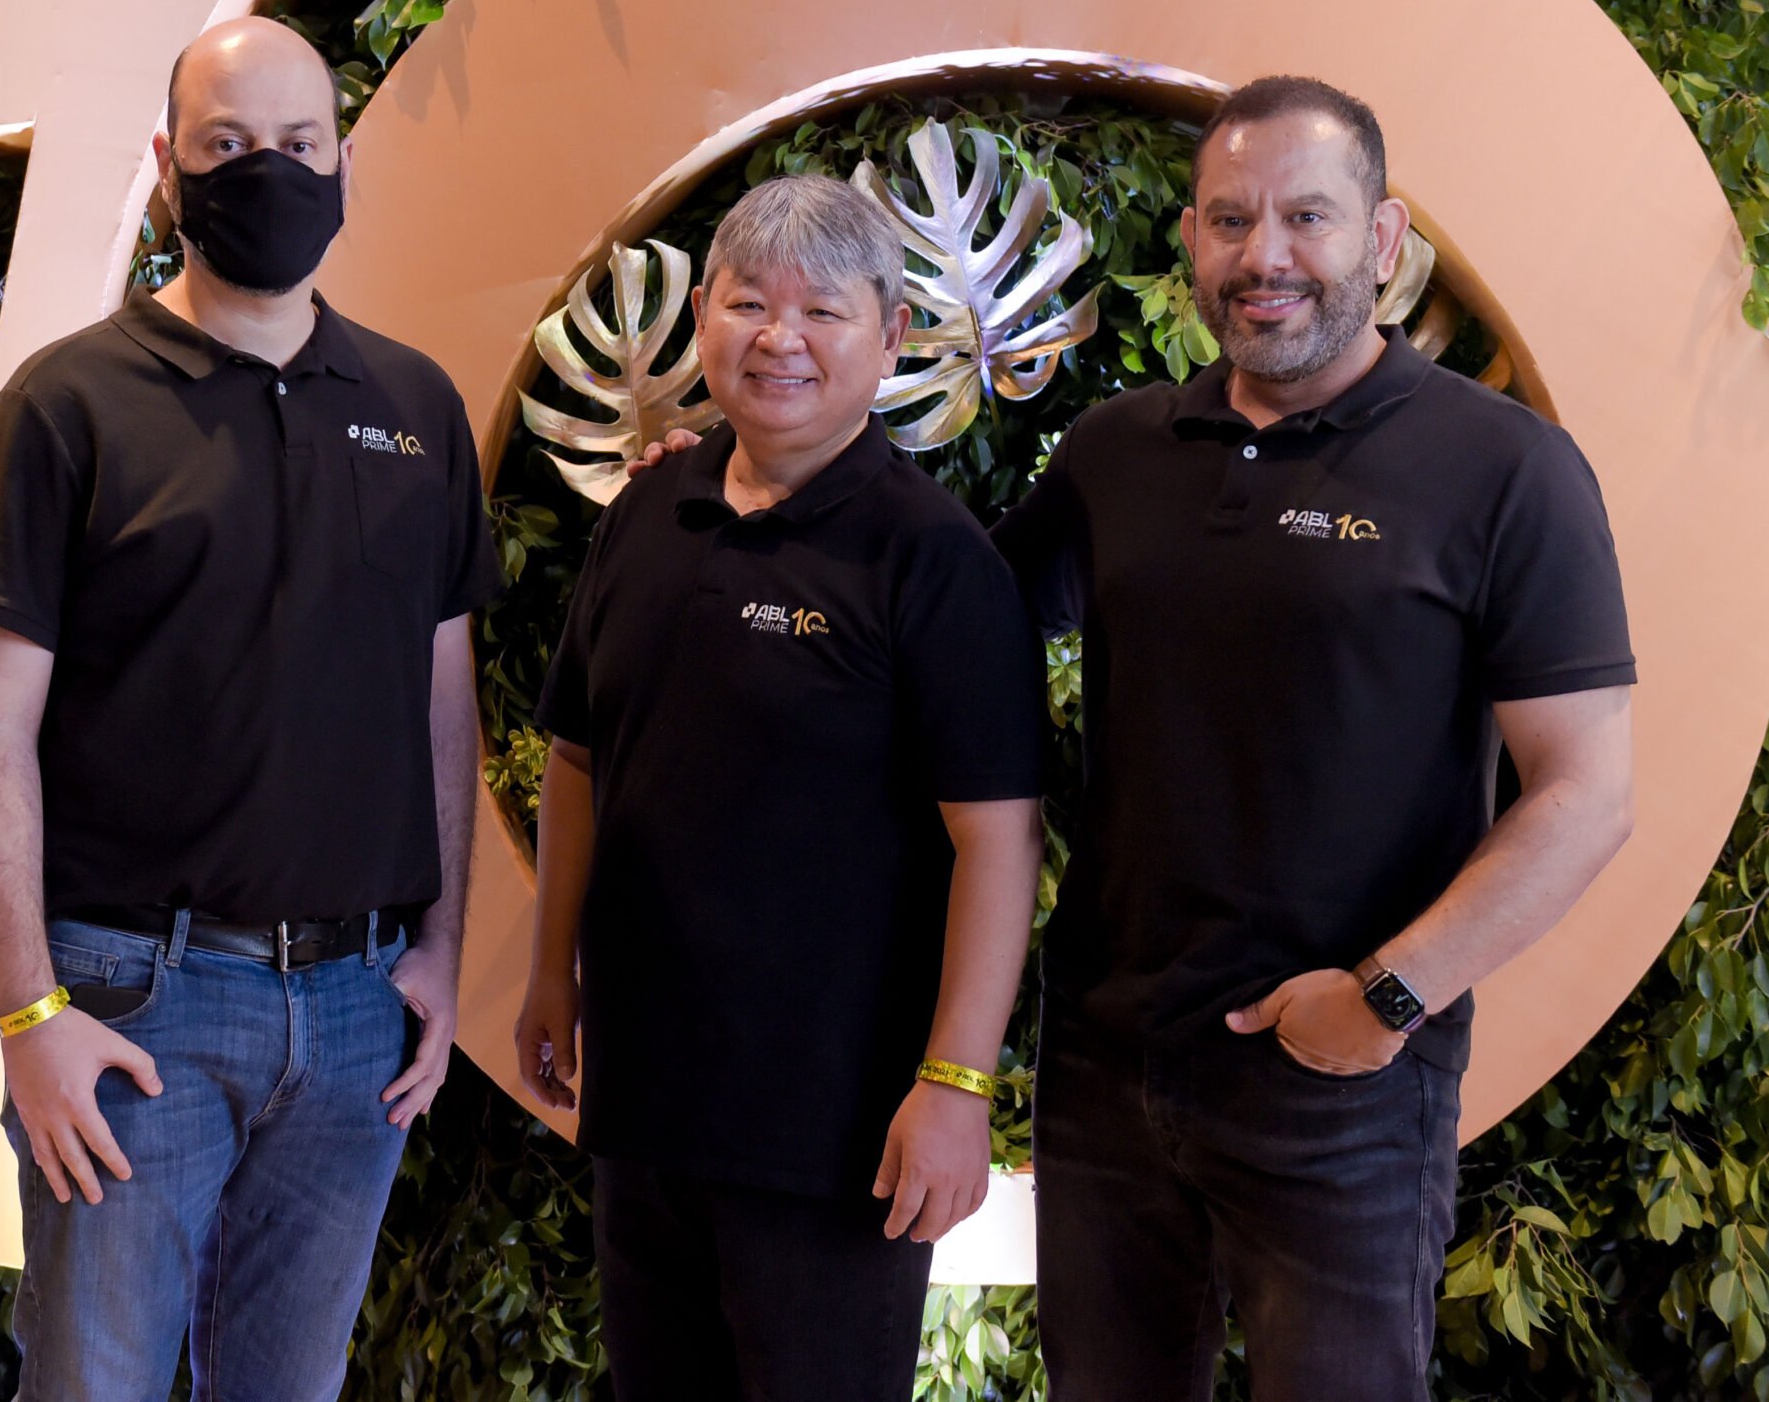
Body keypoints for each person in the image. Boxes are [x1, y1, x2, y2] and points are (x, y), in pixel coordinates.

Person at [991, 76, 1638, 1400]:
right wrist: (750, 478)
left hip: (1339, 1085)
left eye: (1308, 217)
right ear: (1191, 241)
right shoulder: (1116, 453)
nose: (1264, 255)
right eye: (1230, 220)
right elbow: (941, 628)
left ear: (1386, 238)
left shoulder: (1503, 469)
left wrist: (1388, 996)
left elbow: (1587, 791)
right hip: (1108, 1067)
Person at [0, 16, 501, 1400]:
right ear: (167, 168)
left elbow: (443, 697)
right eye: (228, 146)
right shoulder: (69, 404)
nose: (270, 171)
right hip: (137, 999)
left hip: (361, 1011)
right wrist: (27, 1013)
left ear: (343, 162)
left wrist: (440, 944)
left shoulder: (417, 406)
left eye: (299, 144)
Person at [514, 173, 1049, 1402]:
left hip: (834, 1137)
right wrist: (551, 971)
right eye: (750, 303)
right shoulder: (649, 508)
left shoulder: (935, 561)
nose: (780, 339)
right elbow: (580, 756)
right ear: (704, 315)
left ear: (893, 332)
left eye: (822, 312)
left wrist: (956, 1084)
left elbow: (997, 843)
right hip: (646, 1106)